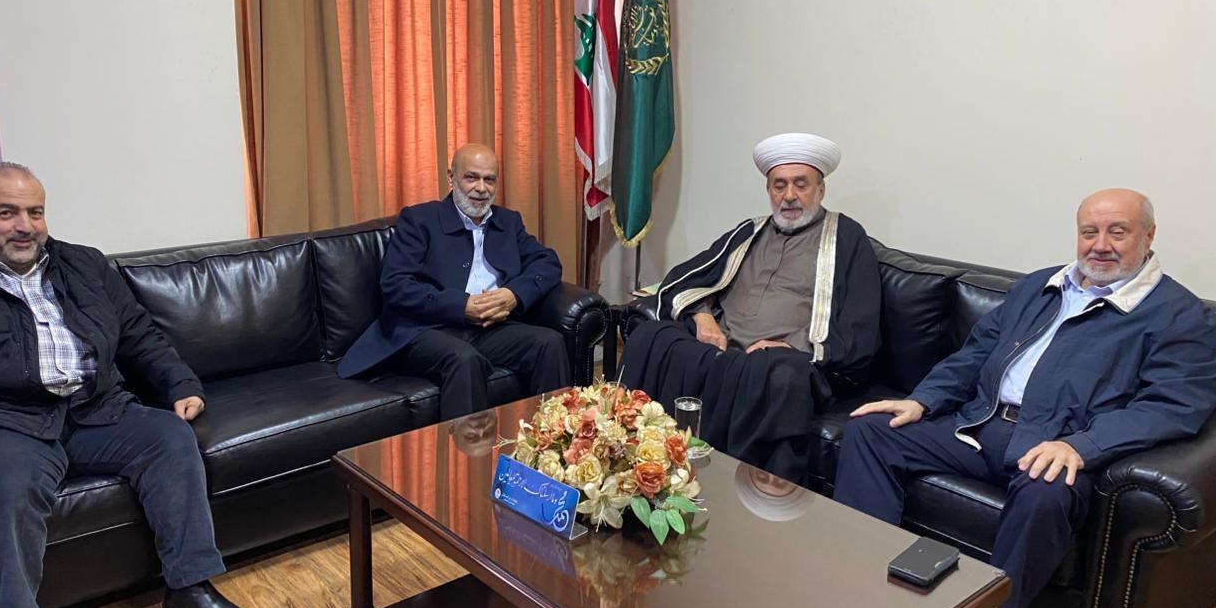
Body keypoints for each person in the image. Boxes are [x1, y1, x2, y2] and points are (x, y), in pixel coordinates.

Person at [833, 188, 1216, 608]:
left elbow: (1173, 405)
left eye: (1118, 232)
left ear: (1149, 236)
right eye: (1089, 231)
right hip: (980, 425)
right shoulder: (1040, 286)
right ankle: (870, 590)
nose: (1100, 245)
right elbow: (974, 354)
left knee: (1046, 490)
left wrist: (1083, 445)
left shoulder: (1179, 315)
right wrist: (922, 400)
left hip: (1059, 445)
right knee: (872, 430)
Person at [0, 163, 253, 608]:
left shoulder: (83, 263)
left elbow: (138, 334)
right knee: (7, 490)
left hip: (96, 408)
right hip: (3, 421)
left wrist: (179, 383)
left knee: (168, 439)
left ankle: (189, 587)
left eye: (35, 212)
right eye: (6, 213)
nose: (24, 226)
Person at [619, 133, 881, 484]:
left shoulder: (846, 237)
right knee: (650, 335)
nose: (789, 195)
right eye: (779, 185)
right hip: (721, 347)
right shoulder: (750, 231)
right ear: (769, 190)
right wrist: (703, 316)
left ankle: (738, 487)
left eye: (801, 184)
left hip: (780, 359)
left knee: (782, 376)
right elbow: (686, 277)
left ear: (821, 189)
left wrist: (791, 346)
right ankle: (635, 459)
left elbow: (860, 322)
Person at [338, 143, 570, 418]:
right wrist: (461, 306)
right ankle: (468, 448)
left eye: (489, 179)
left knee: (549, 343)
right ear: (451, 178)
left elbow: (547, 262)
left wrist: (514, 295)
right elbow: (395, 284)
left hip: (489, 329)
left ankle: (551, 438)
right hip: (426, 329)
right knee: (464, 359)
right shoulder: (419, 220)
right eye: (471, 177)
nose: (481, 188)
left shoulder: (508, 222)